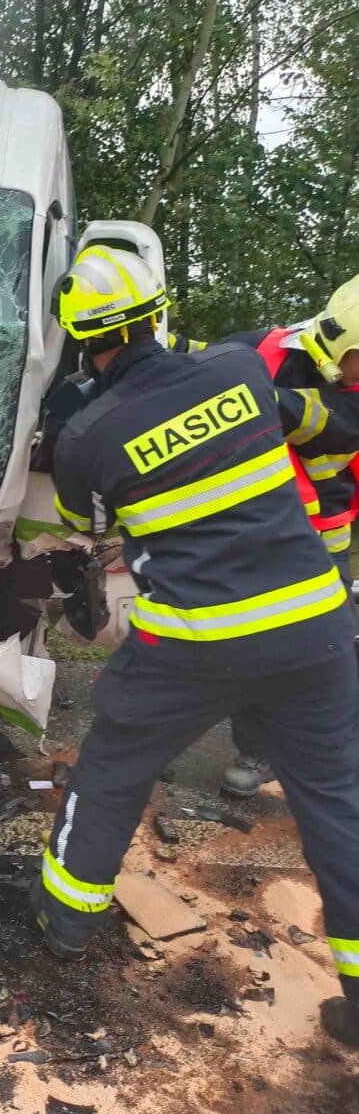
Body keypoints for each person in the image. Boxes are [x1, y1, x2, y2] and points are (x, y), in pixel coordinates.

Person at [32, 242, 359, 1049]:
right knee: (338, 803)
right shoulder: (240, 372)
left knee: (111, 770)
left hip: (194, 642)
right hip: (316, 629)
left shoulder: (86, 435)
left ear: (80, 340)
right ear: (157, 314)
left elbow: (84, 526)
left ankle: (63, 923)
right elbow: (305, 423)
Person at [171, 279, 359, 796]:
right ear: (345, 349)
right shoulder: (264, 347)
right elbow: (197, 357)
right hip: (250, 534)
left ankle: (336, 765)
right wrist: (156, 348)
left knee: (329, 653)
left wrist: (229, 385)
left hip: (320, 541)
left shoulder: (349, 399)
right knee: (254, 644)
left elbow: (307, 417)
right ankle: (259, 753)